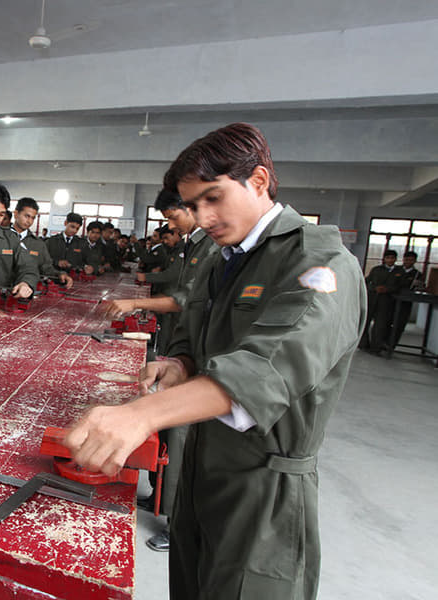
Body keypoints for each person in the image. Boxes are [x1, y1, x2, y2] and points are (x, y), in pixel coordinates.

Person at [64, 123, 366, 599]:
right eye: (192, 205)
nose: (202, 217)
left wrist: (140, 415)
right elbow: (197, 338)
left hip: (262, 490)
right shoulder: (222, 259)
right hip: (200, 475)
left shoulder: (320, 264)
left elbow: (262, 371)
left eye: (213, 198)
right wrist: (179, 364)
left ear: (260, 182)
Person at [102, 188, 218, 551]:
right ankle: (158, 497)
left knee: (181, 439)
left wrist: (135, 301)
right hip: (180, 345)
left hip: (201, 355)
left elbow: (186, 298)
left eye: (173, 217)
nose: (171, 225)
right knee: (170, 435)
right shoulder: (192, 244)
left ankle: (176, 521)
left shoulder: (210, 246)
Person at [11, 197, 73, 289]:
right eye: (26, 216)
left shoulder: (38, 244)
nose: (29, 221)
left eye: (33, 218)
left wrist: (60, 274)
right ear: (16, 214)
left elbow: (46, 268)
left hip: (26, 293)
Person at [360, 250, 404, 354]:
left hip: (386, 302)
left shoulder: (399, 272)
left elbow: (400, 287)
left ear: (395, 259)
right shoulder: (377, 269)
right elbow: (366, 282)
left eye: (392, 258)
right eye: (387, 258)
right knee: (365, 322)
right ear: (384, 259)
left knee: (380, 326)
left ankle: (376, 348)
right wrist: (374, 288)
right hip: (372, 299)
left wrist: (387, 289)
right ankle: (363, 344)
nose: (390, 260)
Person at [390, 251, 424, 349]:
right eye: (406, 259)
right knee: (387, 322)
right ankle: (384, 343)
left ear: (415, 261)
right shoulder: (396, 270)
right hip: (392, 300)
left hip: (405, 302)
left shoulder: (417, 274)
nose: (408, 262)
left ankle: (392, 345)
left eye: (411, 260)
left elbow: (420, 287)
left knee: (399, 325)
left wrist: (418, 285)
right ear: (403, 259)